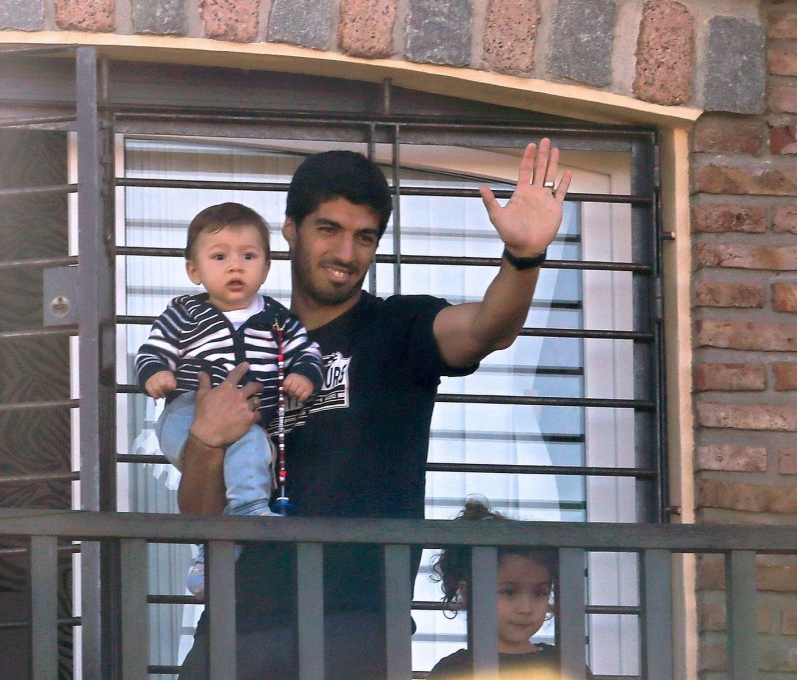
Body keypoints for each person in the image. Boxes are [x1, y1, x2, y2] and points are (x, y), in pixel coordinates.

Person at [176, 139, 572, 679]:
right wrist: (204, 441)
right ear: (290, 229)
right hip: (234, 625)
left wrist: (523, 257)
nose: (346, 253)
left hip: (356, 629)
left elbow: (487, 328)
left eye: (364, 237)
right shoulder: (236, 347)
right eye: (328, 229)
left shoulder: (397, 328)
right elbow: (199, 517)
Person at [134, 202, 323, 597]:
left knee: (251, 450)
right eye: (220, 257)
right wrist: (155, 373)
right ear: (195, 271)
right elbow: (153, 349)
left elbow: (308, 351)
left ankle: (209, 556)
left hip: (249, 420)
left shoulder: (278, 318)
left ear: (266, 268)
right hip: (186, 412)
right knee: (243, 450)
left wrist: (305, 375)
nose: (235, 266)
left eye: (248, 256)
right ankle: (250, 511)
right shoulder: (184, 312)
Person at [427, 497, 560, 680]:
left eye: (539, 593)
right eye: (509, 592)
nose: (526, 608)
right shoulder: (452, 671)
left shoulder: (565, 665)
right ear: (467, 593)